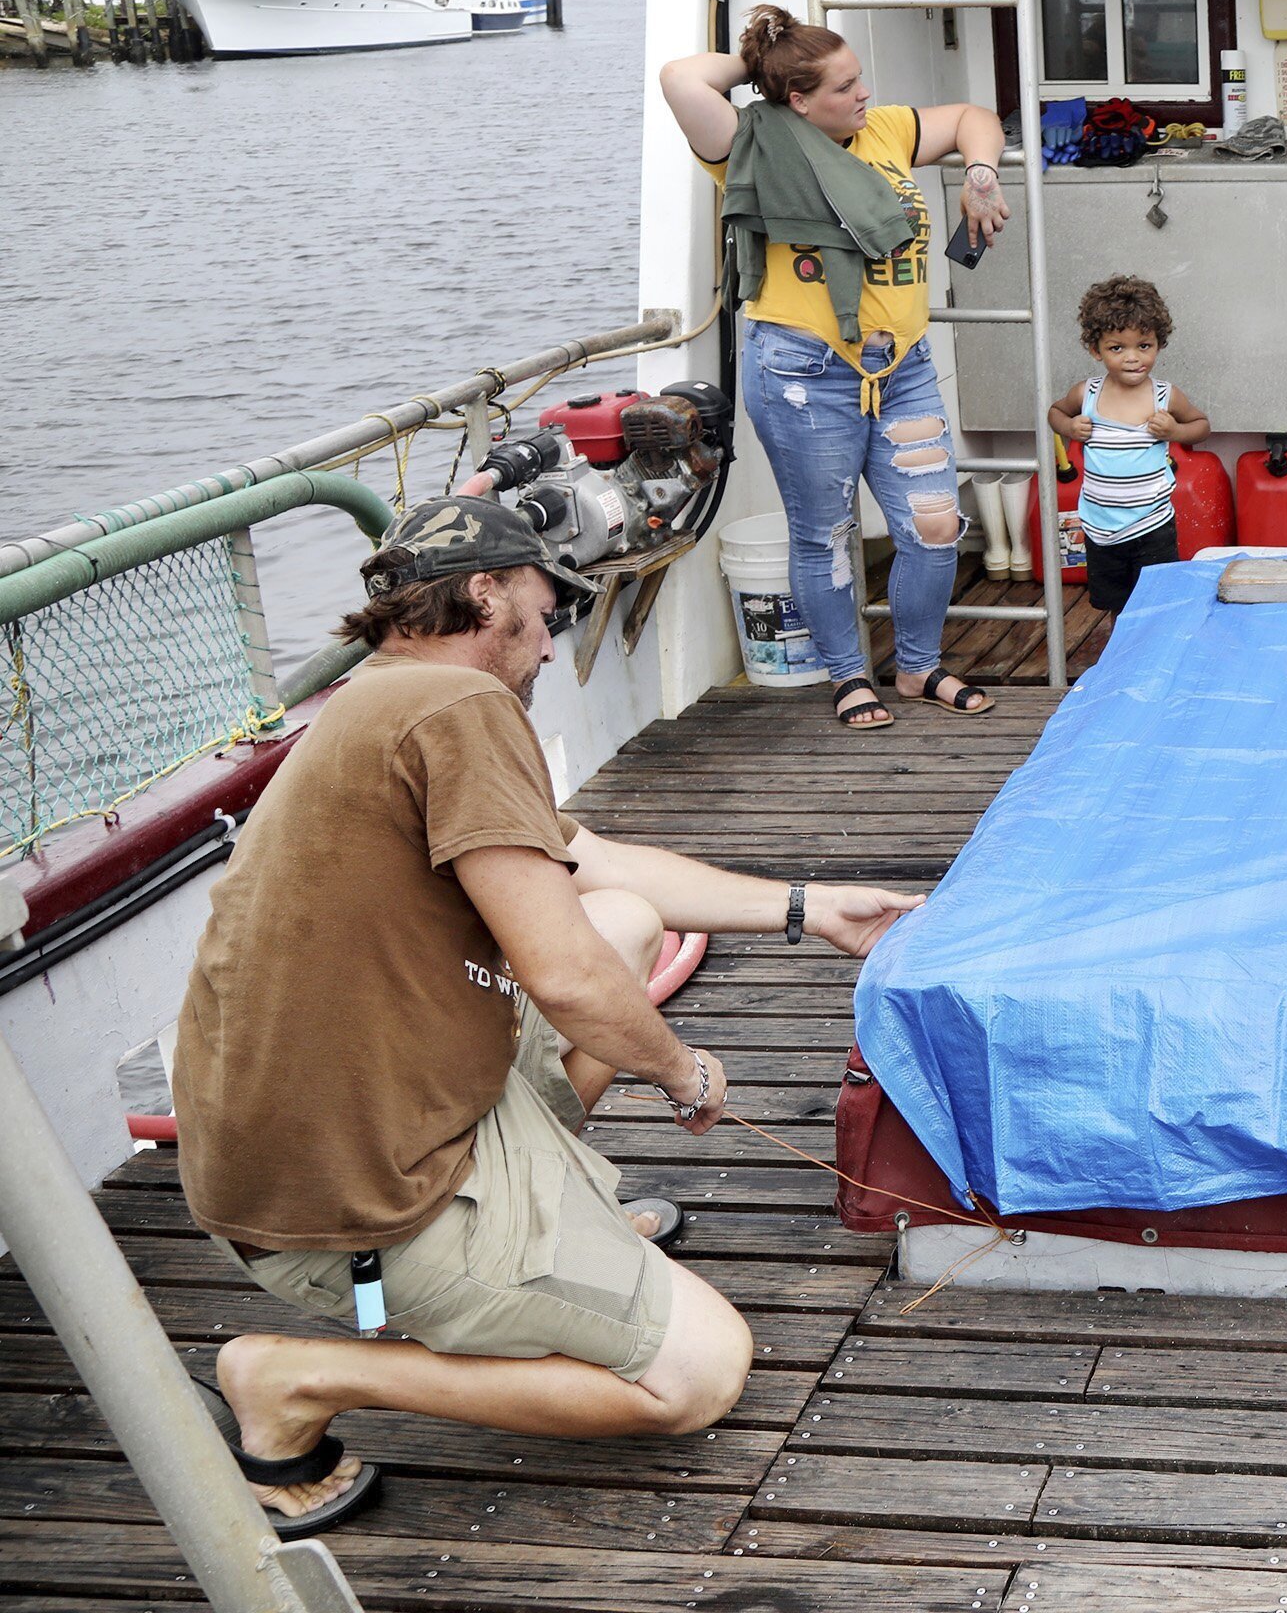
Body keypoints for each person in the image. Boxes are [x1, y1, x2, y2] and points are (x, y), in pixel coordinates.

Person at [170, 496, 925, 1534]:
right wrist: (679, 1068)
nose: (551, 640)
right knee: (700, 1370)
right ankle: (294, 1377)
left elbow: (598, 869)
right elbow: (565, 978)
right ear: (487, 592)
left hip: (310, 1142)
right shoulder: (460, 709)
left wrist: (811, 907)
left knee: (624, 918)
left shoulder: (388, 697)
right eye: (544, 604)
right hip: (357, 1207)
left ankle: (562, 1226)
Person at [658, 3, 1012, 729]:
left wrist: (978, 171)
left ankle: (917, 667)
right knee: (823, 534)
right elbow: (681, 78)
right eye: (844, 86)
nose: (864, 94)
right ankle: (850, 676)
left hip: (902, 366)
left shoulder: (885, 130)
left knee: (935, 525)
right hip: (802, 378)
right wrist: (760, 59)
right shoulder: (749, 143)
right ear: (798, 100)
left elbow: (975, 115)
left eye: (859, 79)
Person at [1046, 275, 1211, 614]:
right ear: (1096, 349)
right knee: (1114, 607)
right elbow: (1055, 412)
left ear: (1158, 344)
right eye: (1117, 348)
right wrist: (1069, 426)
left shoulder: (1164, 396)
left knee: (1156, 605)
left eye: (1144, 346)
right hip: (1100, 528)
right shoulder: (1086, 394)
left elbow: (1201, 426)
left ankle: (1152, 660)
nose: (1133, 358)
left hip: (1152, 526)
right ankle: (1121, 660)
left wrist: (1174, 433)